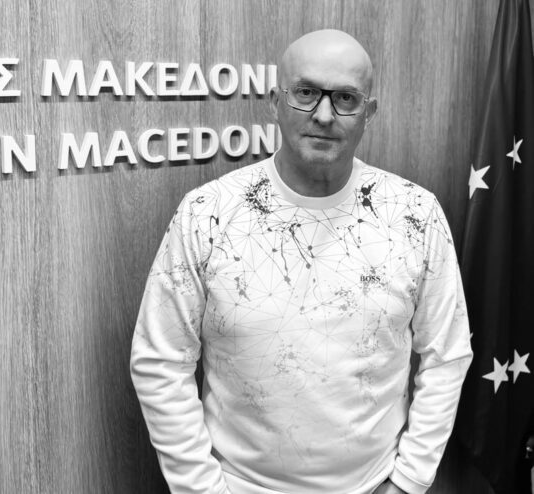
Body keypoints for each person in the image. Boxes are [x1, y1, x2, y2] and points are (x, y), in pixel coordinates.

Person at [130, 29, 473, 494]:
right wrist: (201, 489)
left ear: (369, 113)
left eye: (346, 98)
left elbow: (447, 355)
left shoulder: (415, 213)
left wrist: (408, 482)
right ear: (275, 102)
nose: (324, 115)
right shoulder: (207, 213)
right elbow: (160, 362)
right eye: (306, 93)